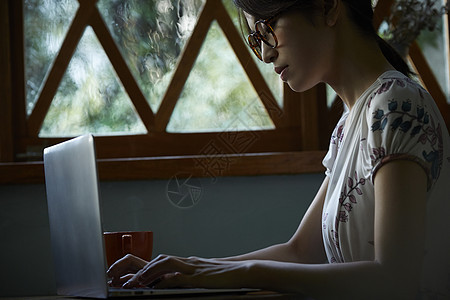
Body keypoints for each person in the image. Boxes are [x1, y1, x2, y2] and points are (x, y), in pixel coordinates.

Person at [107, 0, 450, 299]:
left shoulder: (397, 107)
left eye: (266, 28)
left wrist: (248, 273)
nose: (266, 53)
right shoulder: (352, 124)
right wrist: (189, 267)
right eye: (256, 40)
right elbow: (301, 252)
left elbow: (394, 282)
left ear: (328, 6)